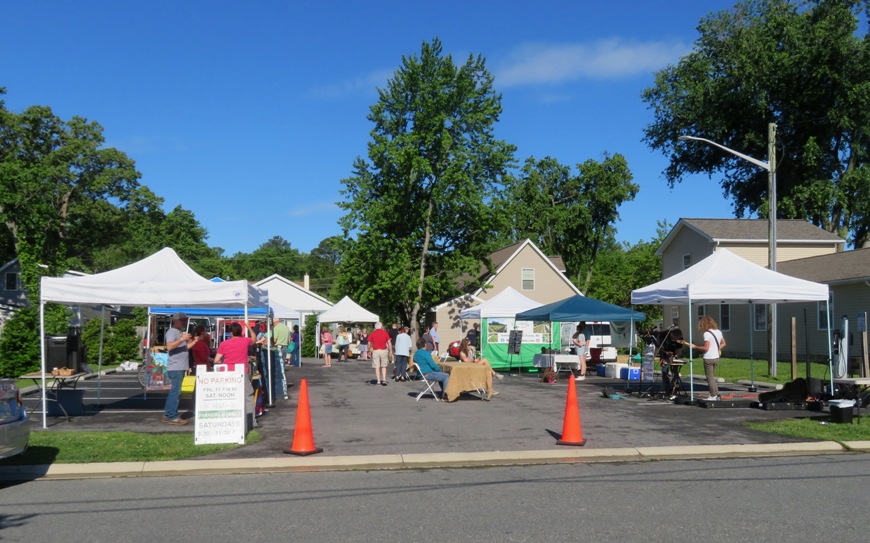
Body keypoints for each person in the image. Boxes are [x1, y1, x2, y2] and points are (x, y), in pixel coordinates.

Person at [214, 321, 258, 428]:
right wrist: (249, 327)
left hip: (227, 372)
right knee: (248, 395)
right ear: (241, 331)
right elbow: (254, 339)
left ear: (231, 332)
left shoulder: (224, 344)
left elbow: (216, 359)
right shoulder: (245, 341)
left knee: (228, 395)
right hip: (242, 371)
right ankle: (251, 421)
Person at [162, 312, 198, 425]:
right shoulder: (172, 332)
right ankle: (172, 416)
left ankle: (168, 414)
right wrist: (182, 339)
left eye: (185, 320)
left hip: (179, 366)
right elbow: (169, 347)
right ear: (176, 321)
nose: (184, 322)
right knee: (176, 392)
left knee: (174, 391)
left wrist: (195, 341)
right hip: (175, 367)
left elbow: (185, 348)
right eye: (182, 320)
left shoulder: (178, 332)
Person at [683, 315, 726, 401]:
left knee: (709, 377)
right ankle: (715, 394)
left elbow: (706, 348)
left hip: (708, 358)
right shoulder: (718, 332)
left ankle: (713, 395)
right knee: (712, 377)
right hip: (716, 357)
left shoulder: (706, 334)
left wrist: (695, 347)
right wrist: (716, 348)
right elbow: (724, 343)